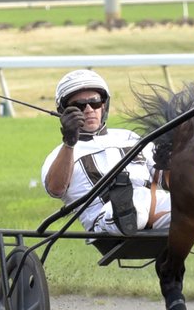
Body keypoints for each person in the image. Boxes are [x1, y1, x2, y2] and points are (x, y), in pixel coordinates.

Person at [41, 69, 171, 234]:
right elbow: (56, 189)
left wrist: (169, 161)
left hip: (152, 206)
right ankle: (126, 212)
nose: (89, 109)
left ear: (104, 105)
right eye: (79, 105)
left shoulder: (130, 137)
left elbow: (166, 181)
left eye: (95, 102)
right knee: (128, 210)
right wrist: (69, 143)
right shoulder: (60, 154)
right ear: (64, 112)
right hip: (105, 214)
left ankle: (131, 212)